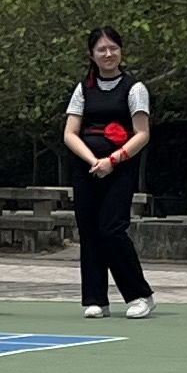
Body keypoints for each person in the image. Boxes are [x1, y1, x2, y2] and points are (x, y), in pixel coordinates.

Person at [61, 27, 156, 318]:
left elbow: (142, 133)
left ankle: (140, 295)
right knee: (89, 231)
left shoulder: (134, 88)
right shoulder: (83, 89)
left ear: (121, 51)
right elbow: (70, 133)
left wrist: (112, 161)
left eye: (113, 48)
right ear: (92, 54)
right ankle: (96, 299)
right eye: (101, 49)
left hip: (120, 169)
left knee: (112, 230)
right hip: (87, 168)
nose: (108, 54)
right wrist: (93, 161)